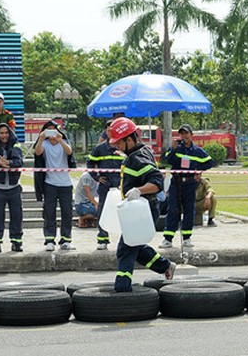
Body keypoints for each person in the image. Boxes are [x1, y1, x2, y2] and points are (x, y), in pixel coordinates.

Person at [104, 117, 176, 291]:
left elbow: (157, 182)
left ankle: (122, 288)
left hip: (143, 209)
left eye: (119, 143)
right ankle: (165, 266)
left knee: (126, 248)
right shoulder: (136, 153)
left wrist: (138, 190)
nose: (117, 147)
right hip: (136, 209)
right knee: (136, 245)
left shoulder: (139, 157)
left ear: (129, 139)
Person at [161, 123, 214, 249]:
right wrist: (172, 149)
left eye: (186, 133)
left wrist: (198, 170)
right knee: (173, 209)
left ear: (191, 135)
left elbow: (210, 162)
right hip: (176, 183)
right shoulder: (176, 148)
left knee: (189, 210)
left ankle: (186, 238)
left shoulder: (197, 151)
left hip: (190, 184)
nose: (184, 136)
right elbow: (167, 160)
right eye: (181, 133)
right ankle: (168, 238)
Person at [34, 120, 75, 251]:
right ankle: (49, 239)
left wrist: (60, 140)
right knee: (49, 212)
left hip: (65, 183)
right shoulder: (44, 143)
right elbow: (38, 152)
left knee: (67, 212)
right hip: (50, 183)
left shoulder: (64, 141)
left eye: (54, 129)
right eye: (48, 130)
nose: (51, 133)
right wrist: (41, 139)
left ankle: (66, 239)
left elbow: (69, 152)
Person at [0, 122, 24, 253]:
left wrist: (9, 162)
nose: (4, 135)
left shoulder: (15, 143)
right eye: (1, 133)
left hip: (14, 186)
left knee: (17, 215)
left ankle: (16, 242)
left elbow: (19, 161)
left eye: (6, 133)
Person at [88, 121, 123, 250]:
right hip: (105, 185)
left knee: (124, 212)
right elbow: (90, 163)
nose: (110, 132)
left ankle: (124, 240)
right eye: (108, 130)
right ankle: (103, 239)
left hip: (121, 185)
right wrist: (97, 177)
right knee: (103, 211)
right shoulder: (100, 148)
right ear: (106, 131)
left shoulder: (122, 146)